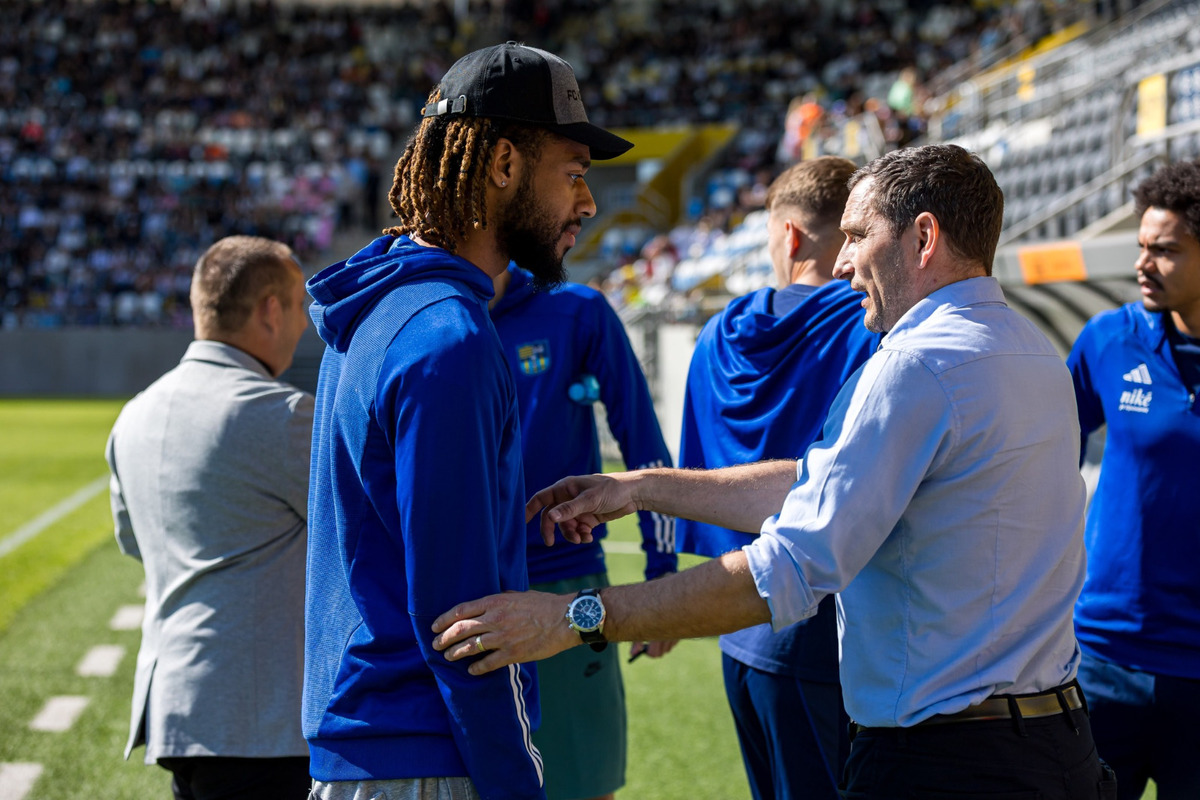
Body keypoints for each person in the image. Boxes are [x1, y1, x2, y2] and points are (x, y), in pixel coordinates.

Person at [431, 144, 1118, 799]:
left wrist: (575, 618)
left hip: (947, 762)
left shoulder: (915, 365)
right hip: (1058, 741)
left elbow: (788, 569)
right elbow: (821, 486)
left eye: (857, 235)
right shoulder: (1031, 349)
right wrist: (642, 488)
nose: (843, 263)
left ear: (924, 237)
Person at [303, 43, 632, 800]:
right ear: (505, 165)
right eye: (574, 175)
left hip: (370, 742)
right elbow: (466, 624)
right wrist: (517, 782)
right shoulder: (448, 339)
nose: (587, 204)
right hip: (428, 754)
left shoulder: (378, 309)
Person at [677, 156, 878, 800]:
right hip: (831, 633)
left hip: (737, 624)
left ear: (788, 237)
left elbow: (699, 473)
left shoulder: (718, 333)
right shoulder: (873, 325)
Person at [104, 235, 313, 799]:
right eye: (298, 304)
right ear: (270, 310)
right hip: (262, 720)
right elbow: (370, 531)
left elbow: (133, 544)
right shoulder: (282, 414)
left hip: (175, 711)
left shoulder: (135, 414)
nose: (304, 323)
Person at [490, 262, 678, 800]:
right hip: (462, 590)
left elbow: (641, 441)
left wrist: (662, 575)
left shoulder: (577, 310)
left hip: (566, 582)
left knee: (584, 785)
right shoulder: (432, 313)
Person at [1066, 160, 1200, 800]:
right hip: (1103, 657)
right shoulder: (1106, 341)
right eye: (1142, 246)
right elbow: (1042, 456)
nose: (1144, 263)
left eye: (1166, 250)